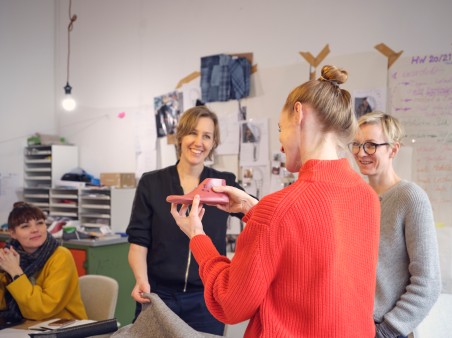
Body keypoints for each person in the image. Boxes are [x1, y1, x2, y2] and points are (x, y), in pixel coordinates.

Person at [170, 65, 381, 337]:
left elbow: (231, 304)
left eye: (281, 129)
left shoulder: (279, 208)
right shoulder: (367, 198)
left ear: (299, 113)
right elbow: (314, 245)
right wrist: (251, 208)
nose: (280, 145)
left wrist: (197, 237)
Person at [126, 106, 244, 335]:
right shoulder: (151, 183)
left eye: (207, 136)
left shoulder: (223, 184)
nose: (198, 141)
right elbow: (138, 243)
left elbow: (259, 214)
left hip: (206, 300)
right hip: (158, 297)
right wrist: (141, 280)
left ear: (213, 144)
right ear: (180, 136)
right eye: (192, 132)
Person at [349, 111, 441, 338]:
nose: (361, 153)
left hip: (384, 329)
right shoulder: (356, 197)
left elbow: (427, 282)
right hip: (351, 324)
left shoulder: (411, 198)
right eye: (357, 144)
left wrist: (386, 331)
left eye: (371, 145)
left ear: (393, 149)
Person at [0, 202, 87, 322]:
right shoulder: (10, 256)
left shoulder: (61, 256)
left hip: (65, 326)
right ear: (12, 233)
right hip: (25, 325)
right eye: (25, 226)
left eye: (40, 223)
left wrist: (15, 272)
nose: (35, 230)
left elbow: (41, 309)